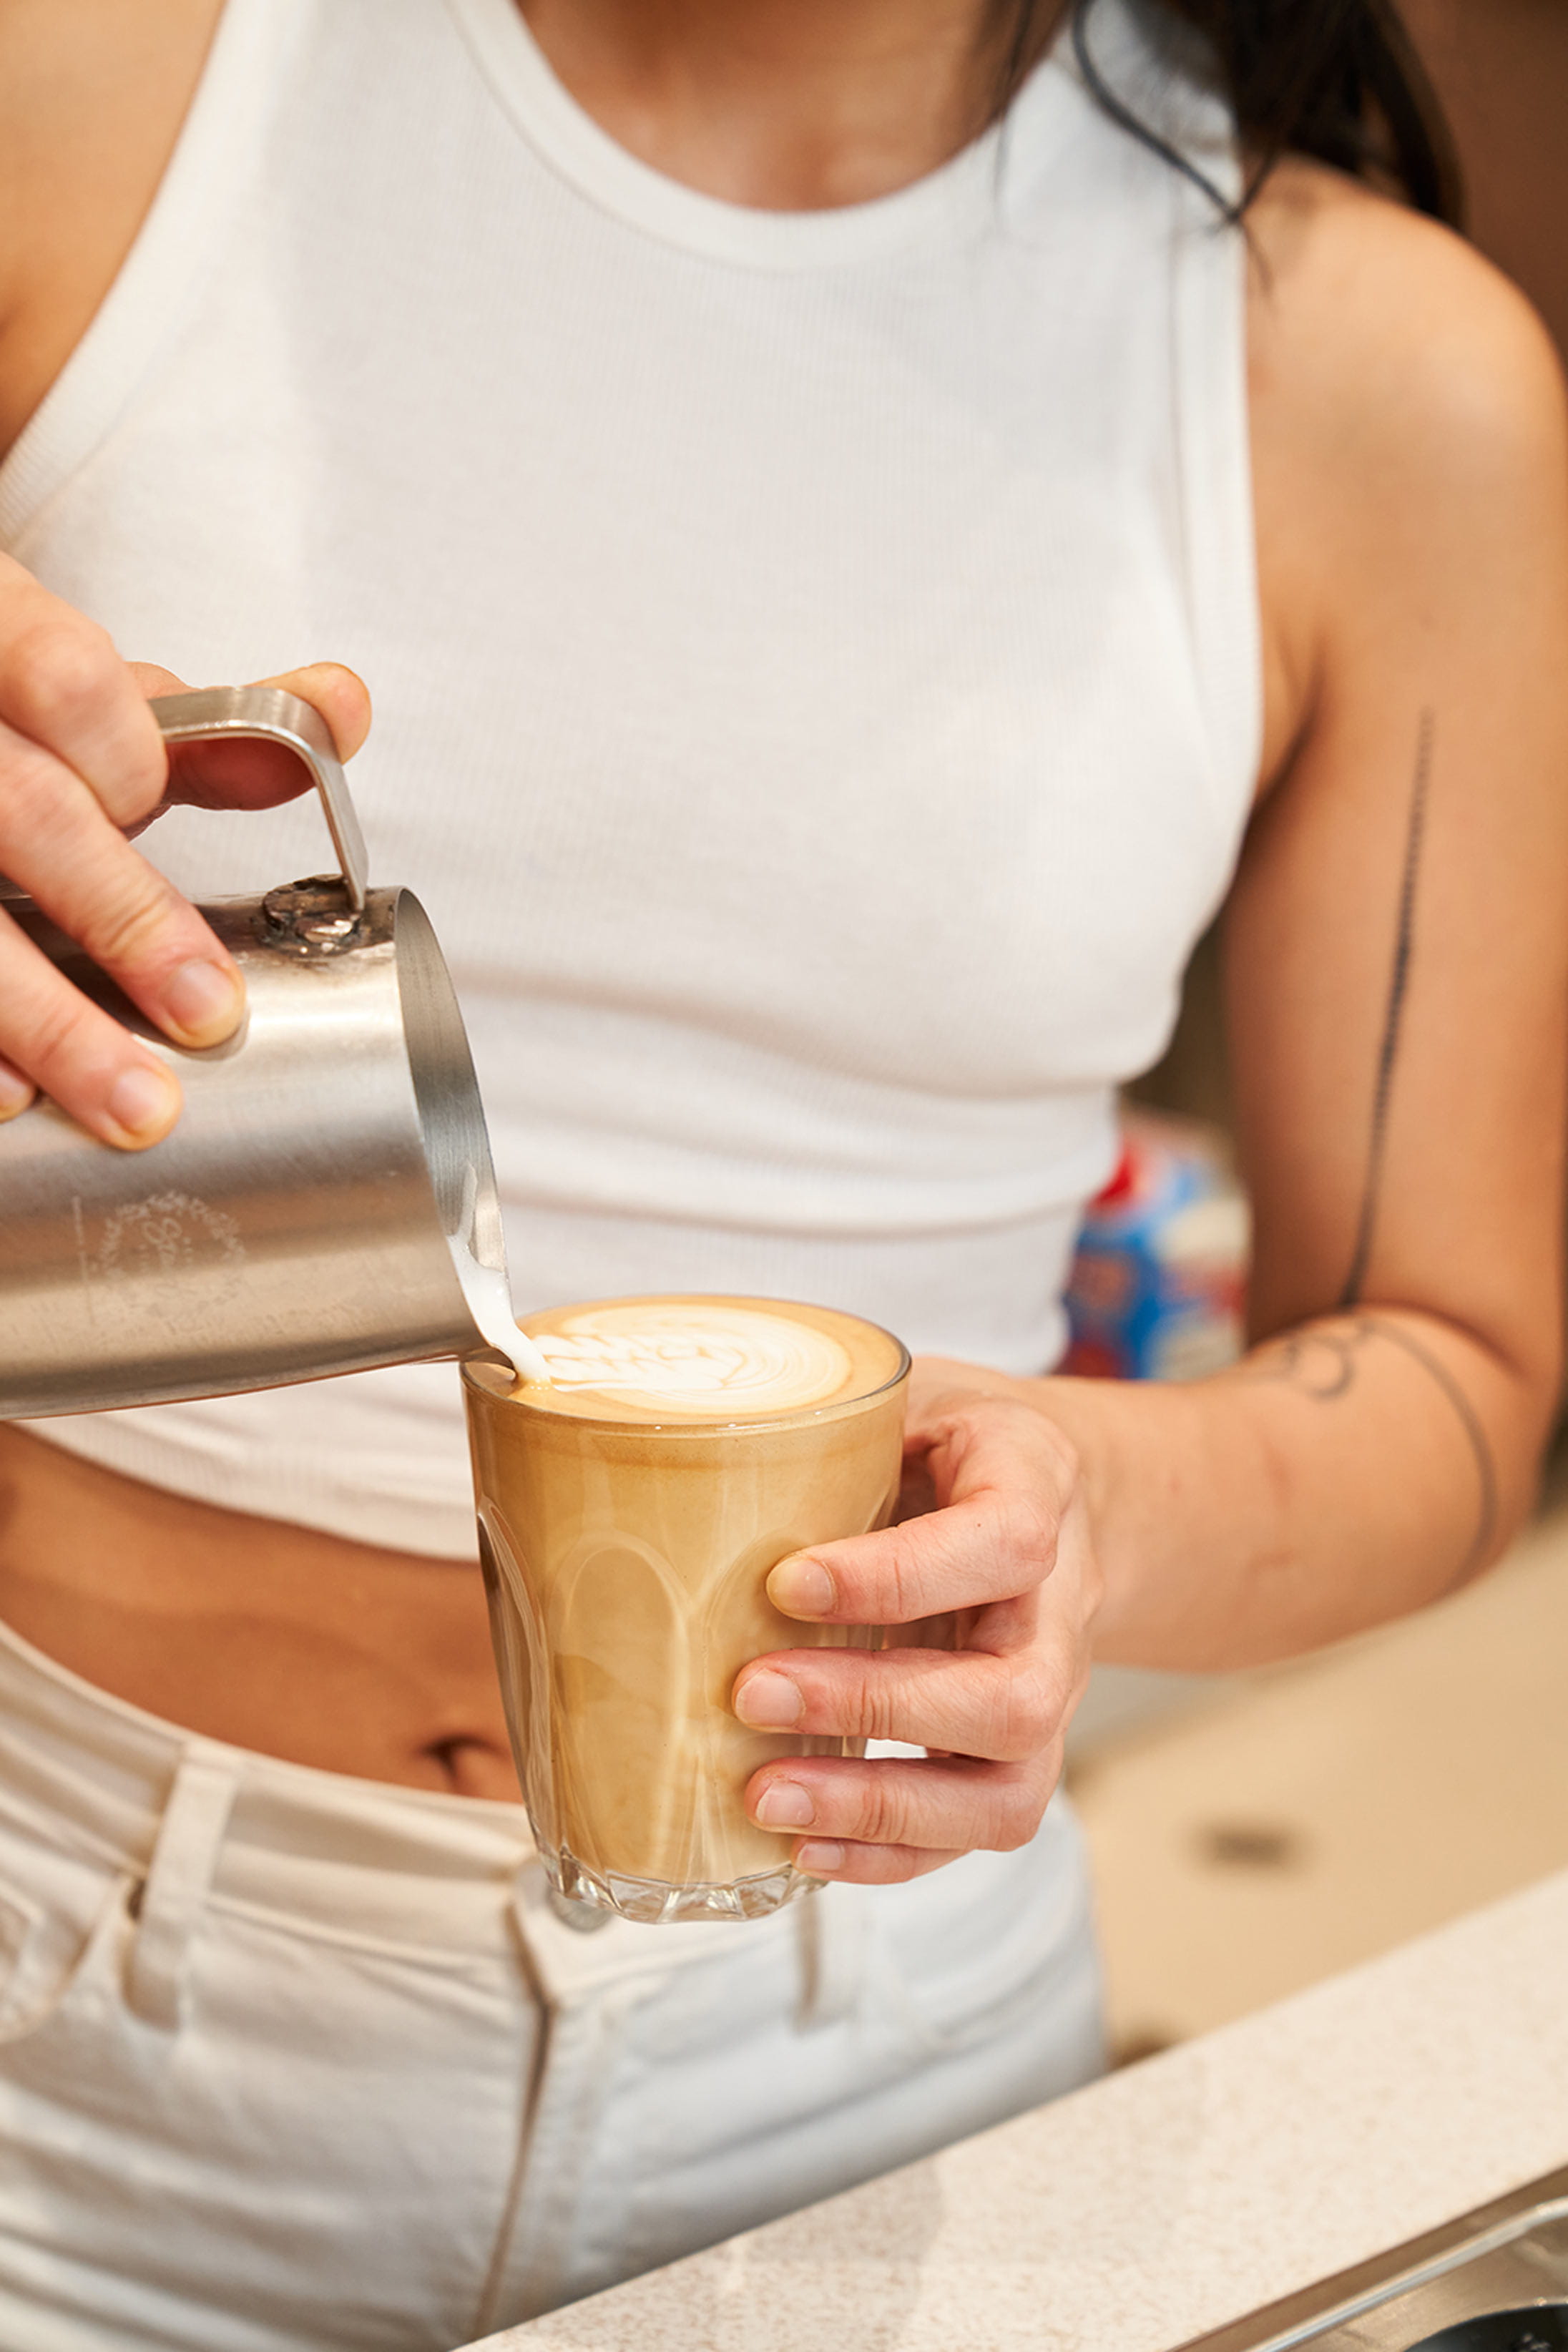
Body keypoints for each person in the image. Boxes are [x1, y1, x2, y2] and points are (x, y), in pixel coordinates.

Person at [0, 0, 1562, 2344]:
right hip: (63, 2013)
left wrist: (1089, 1513)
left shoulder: (1371, 374)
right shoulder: (98, 85)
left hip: (887, 2060)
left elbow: (1453, 1366)